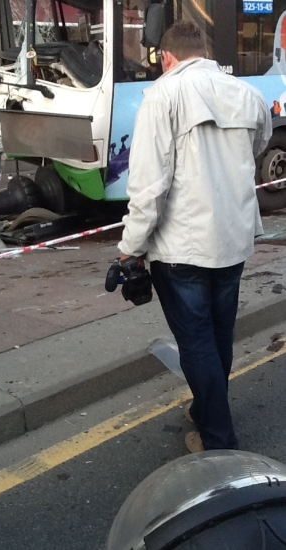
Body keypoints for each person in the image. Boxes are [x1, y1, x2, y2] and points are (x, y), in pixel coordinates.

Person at [117, 20, 272, 453]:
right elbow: (257, 147)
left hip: (182, 247)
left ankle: (218, 441)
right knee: (219, 337)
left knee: (197, 344)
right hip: (233, 238)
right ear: (202, 52)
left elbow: (149, 185)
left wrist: (130, 247)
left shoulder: (162, 95)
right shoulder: (247, 93)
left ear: (166, 58)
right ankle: (208, 410)